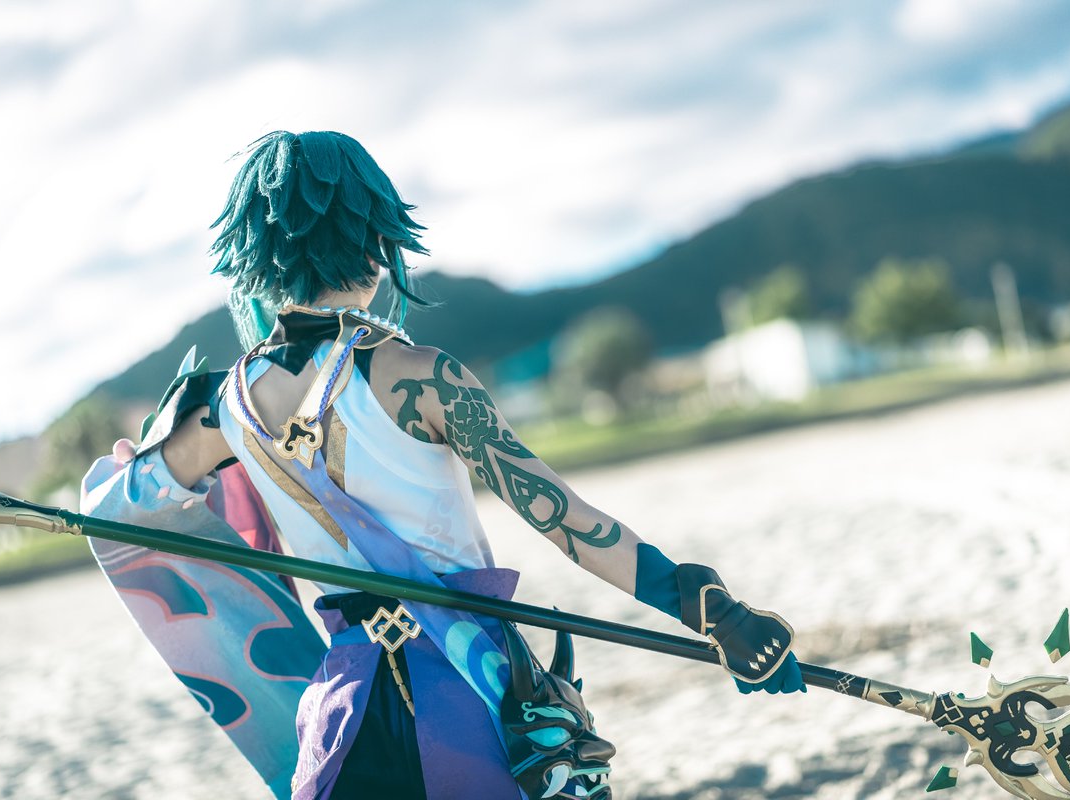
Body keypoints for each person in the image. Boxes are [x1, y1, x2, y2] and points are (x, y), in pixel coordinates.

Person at [81, 130, 803, 800]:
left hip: (344, 713)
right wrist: (710, 610)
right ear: (375, 237)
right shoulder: (421, 375)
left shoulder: (223, 406)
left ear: (257, 254)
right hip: (470, 692)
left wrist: (137, 459)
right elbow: (568, 523)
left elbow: (123, 504)